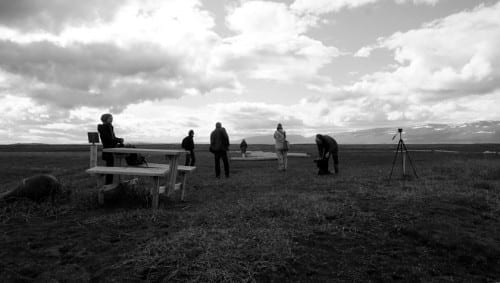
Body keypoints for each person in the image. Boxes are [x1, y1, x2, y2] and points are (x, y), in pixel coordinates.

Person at [97, 113, 124, 184]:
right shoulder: (104, 127)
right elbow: (109, 139)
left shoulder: (109, 126)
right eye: (110, 118)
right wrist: (118, 140)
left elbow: (112, 138)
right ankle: (108, 185)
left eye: (112, 118)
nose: (112, 119)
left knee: (110, 168)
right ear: (105, 119)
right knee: (110, 168)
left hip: (110, 149)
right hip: (108, 149)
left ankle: (110, 184)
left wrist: (119, 140)